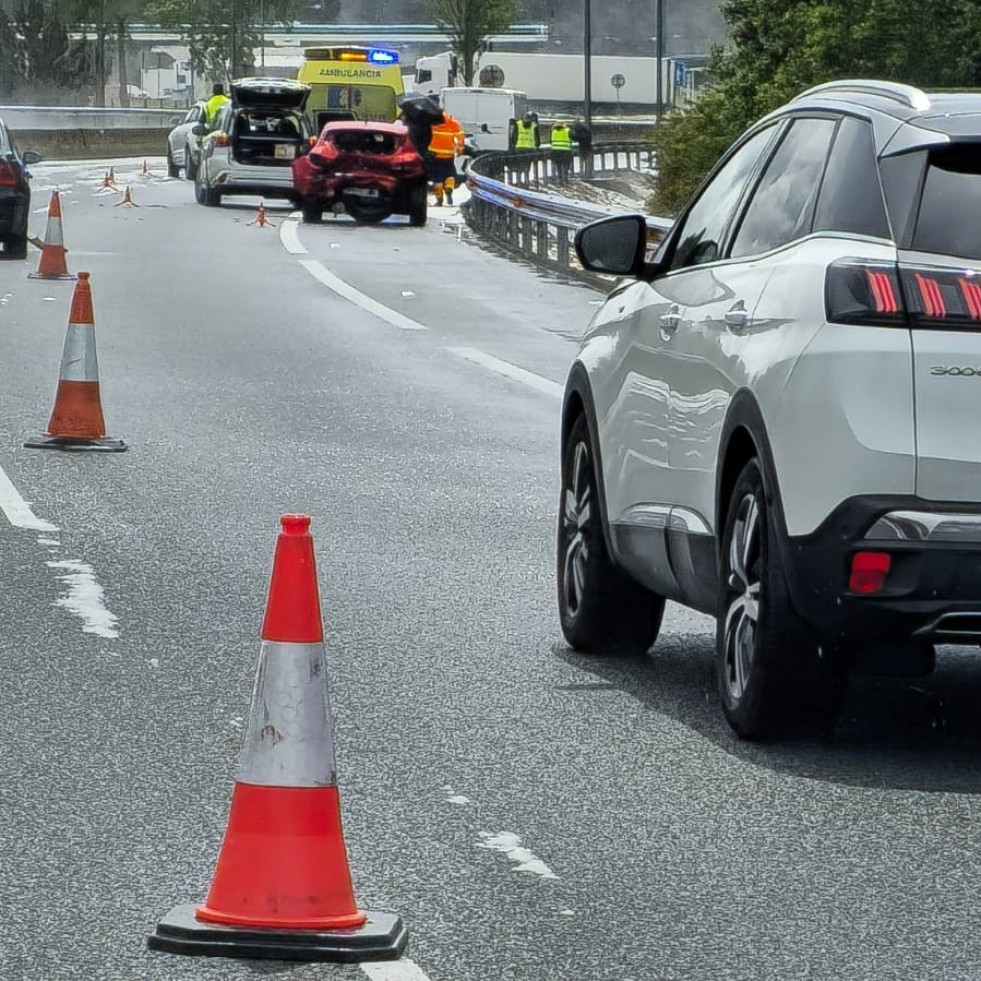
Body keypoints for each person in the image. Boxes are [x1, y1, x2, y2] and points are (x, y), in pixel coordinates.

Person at [427, 110, 465, 206]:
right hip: (448, 154)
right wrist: (459, 150)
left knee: (437, 178)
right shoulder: (453, 123)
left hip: (435, 154)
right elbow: (461, 138)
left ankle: (439, 199)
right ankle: (449, 189)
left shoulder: (432, 123)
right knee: (450, 174)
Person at [509, 110, 540, 184]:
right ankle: (526, 181)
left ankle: (518, 180)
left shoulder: (518, 124)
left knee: (519, 165)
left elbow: (513, 136)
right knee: (527, 166)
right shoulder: (534, 125)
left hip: (519, 148)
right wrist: (537, 146)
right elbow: (537, 138)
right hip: (530, 149)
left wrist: (513, 146)